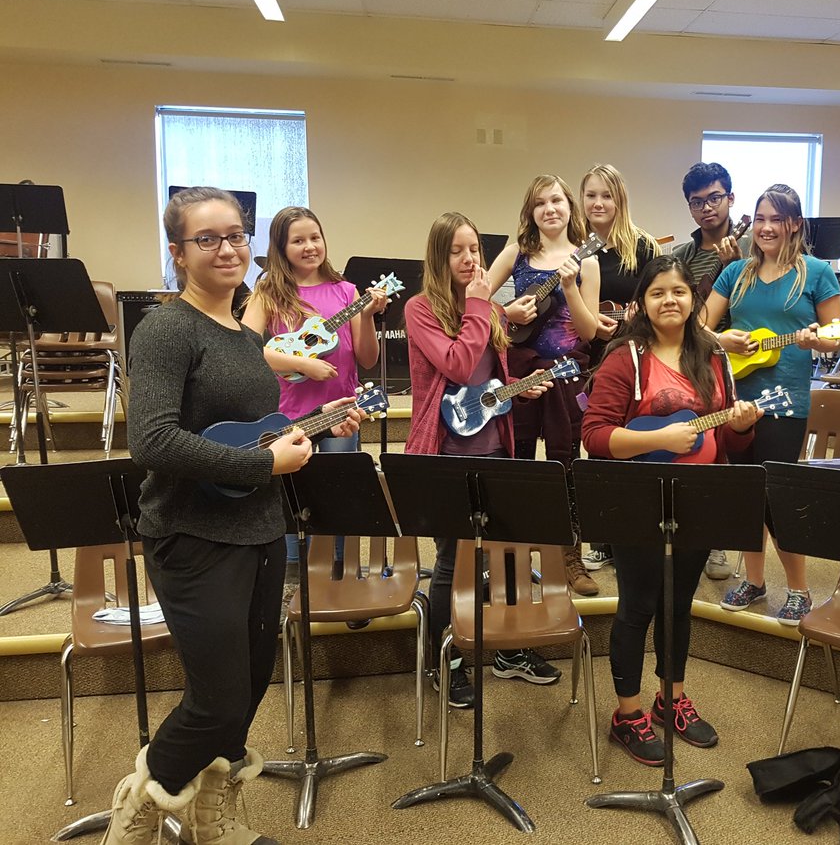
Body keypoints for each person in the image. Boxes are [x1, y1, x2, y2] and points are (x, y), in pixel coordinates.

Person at [109, 186, 363, 845]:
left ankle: (208, 814)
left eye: (235, 235)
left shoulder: (241, 334)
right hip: (191, 536)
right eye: (208, 238)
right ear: (177, 252)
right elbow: (153, 441)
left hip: (257, 530)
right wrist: (265, 465)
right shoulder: (167, 327)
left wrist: (319, 422)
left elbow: (252, 430)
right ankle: (141, 802)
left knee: (248, 689)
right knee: (216, 696)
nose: (227, 248)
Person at [581, 254, 760, 764]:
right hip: (638, 498)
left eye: (679, 292)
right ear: (642, 302)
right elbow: (594, 435)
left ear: (693, 300)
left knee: (679, 603)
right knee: (638, 604)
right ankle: (627, 713)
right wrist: (661, 436)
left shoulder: (714, 358)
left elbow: (728, 440)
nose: (670, 301)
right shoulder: (624, 359)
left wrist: (743, 425)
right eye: (659, 292)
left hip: (697, 497)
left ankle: (671, 699)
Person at [405, 211, 561, 708]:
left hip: (494, 445)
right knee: (453, 559)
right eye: (458, 250)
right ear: (438, 257)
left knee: (503, 551)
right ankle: (445, 659)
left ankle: (508, 652)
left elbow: (489, 378)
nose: (470, 258)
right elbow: (456, 363)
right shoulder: (420, 309)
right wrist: (479, 305)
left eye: (475, 249)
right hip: (445, 452)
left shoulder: (487, 311)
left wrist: (522, 390)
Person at [704, 184, 840, 625]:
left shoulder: (817, 272)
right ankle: (755, 580)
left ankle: (800, 589)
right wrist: (722, 338)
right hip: (736, 398)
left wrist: (815, 338)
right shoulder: (736, 274)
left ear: (794, 224)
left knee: (778, 496)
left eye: (776, 219)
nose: (765, 227)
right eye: (760, 218)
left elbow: (837, 333)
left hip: (786, 400)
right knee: (746, 496)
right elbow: (700, 327)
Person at [242, 206, 388, 581]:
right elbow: (244, 348)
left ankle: (339, 570)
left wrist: (369, 315)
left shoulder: (346, 291)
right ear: (281, 247)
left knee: (337, 491)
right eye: (298, 240)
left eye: (315, 237)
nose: (310, 246)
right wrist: (304, 364)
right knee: (293, 493)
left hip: (342, 413)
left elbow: (368, 360)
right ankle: (293, 575)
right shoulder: (269, 291)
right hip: (289, 414)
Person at [489, 173, 601, 596]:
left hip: (567, 372)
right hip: (520, 371)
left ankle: (568, 554)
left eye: (557, 200)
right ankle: (510, 551)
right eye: (540, 203)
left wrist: (570, 286)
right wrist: (506, 315)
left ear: (570, 207)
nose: (549, 209)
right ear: (530, 211)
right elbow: (478, 301)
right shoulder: (517, 252)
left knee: (565, 463)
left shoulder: (585, 260)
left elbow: (590, 332)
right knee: (515, 459)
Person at [672, 161, 753, 581]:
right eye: (697, 202)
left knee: (722, 453)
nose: (707, 209)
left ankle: (717, 542)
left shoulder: (753, 249)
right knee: (691, 449)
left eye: (715, 198)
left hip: (736, 362)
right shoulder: (682, 256)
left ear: (731, 199)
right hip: (687, 360)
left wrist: (737, 267)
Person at [576, 163, 658, 577]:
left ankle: (634, 532)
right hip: (588, 359)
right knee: (597, 446)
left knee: (631, 443)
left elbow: (659, 299)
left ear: (619, 199)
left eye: (606, 195)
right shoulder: (577, 248)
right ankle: (603, 539)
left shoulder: (643, 246)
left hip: (633, 358)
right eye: (591, 195)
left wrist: (632, 316)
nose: (598, 203)